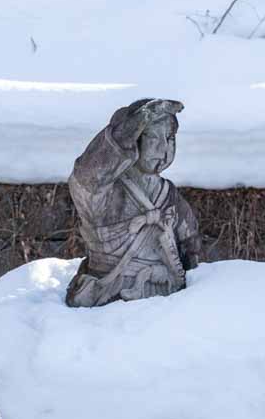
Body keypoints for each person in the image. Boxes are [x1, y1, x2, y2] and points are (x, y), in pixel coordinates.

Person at [65, 98, 203, 307]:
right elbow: (86, 177)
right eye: (154, 138)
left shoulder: (170, 196)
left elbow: (192, 253)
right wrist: (124, 134)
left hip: (165, 303)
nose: (164, 148)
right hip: (111, 302)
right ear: (135, 140)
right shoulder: (105, 193)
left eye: (170, 138)